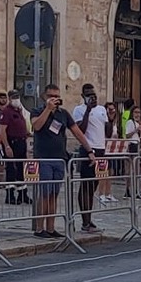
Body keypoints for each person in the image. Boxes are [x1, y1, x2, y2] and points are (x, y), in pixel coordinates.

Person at [33, 83, 98, 235]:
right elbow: (36, 126)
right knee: (44, 193)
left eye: (56, 96)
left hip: (59, 158)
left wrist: (89, 150)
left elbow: (76, 131)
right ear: (44, 97)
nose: (54, 99)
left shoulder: (63, 113)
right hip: (44, 158)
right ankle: (39, 228)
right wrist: (48, 110)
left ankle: (51, 227)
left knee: (54, 194)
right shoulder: (38, 110)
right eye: (51, 96)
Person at [71, 83, 110, 218]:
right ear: (83, 96)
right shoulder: (78, 110)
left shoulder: (101, 109)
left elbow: (107, 131)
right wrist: (88, 110)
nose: (92, 97)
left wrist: (111, 118)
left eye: (93, 95)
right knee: (86, 185)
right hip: (88, 149)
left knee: (94, 185)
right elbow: (80, 130)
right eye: (88, 95)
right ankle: (85, 219)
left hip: (100, 150)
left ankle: (89, 216)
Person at [0, 88, 30, 206]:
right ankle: (10, 195)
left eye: (17, 97)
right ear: (9, 99)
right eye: (14, 97)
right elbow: (2, 130)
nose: (16, 99)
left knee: (21, 170)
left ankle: (23, 194)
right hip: (12, 143)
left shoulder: (19, 110)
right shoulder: (7, 112)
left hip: (21, 142)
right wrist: (6, 146)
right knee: (11, 169)